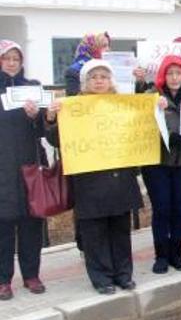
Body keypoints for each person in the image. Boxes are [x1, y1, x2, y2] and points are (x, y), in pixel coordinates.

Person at [46, 60, 144, 294]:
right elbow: (55, 140)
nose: (99, 81)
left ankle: (123, 275)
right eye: (94, 77)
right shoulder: (74, 107)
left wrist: (156, 106)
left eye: (103, 76)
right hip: (89, 182)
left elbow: (141, 128)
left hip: (119, 179)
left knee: (120, 230)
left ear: (111, 81)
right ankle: (101, 278)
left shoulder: (123, 105)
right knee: (94, 233)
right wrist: (51, 119)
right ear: (85, 82)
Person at [140, 56, 181, 274]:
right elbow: (141, 128)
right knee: (162, 208)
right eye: (170, 73)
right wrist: (155, 113)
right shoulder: (152, 96)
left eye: (179, 73)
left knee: (179, 208)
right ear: (162, 75)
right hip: (158, 162)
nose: (175, 78)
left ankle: (177, 253)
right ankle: (161, 255)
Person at [0, 40, 46, 300]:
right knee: (3, 226)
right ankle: (3, 279)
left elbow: (44, 131)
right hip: (2, 167)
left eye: (16, 58)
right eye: (7, 58)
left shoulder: (33, 88)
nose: (12, 63)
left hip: (29, 165)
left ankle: (31, 275)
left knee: (31, 223)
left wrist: (34, 116)